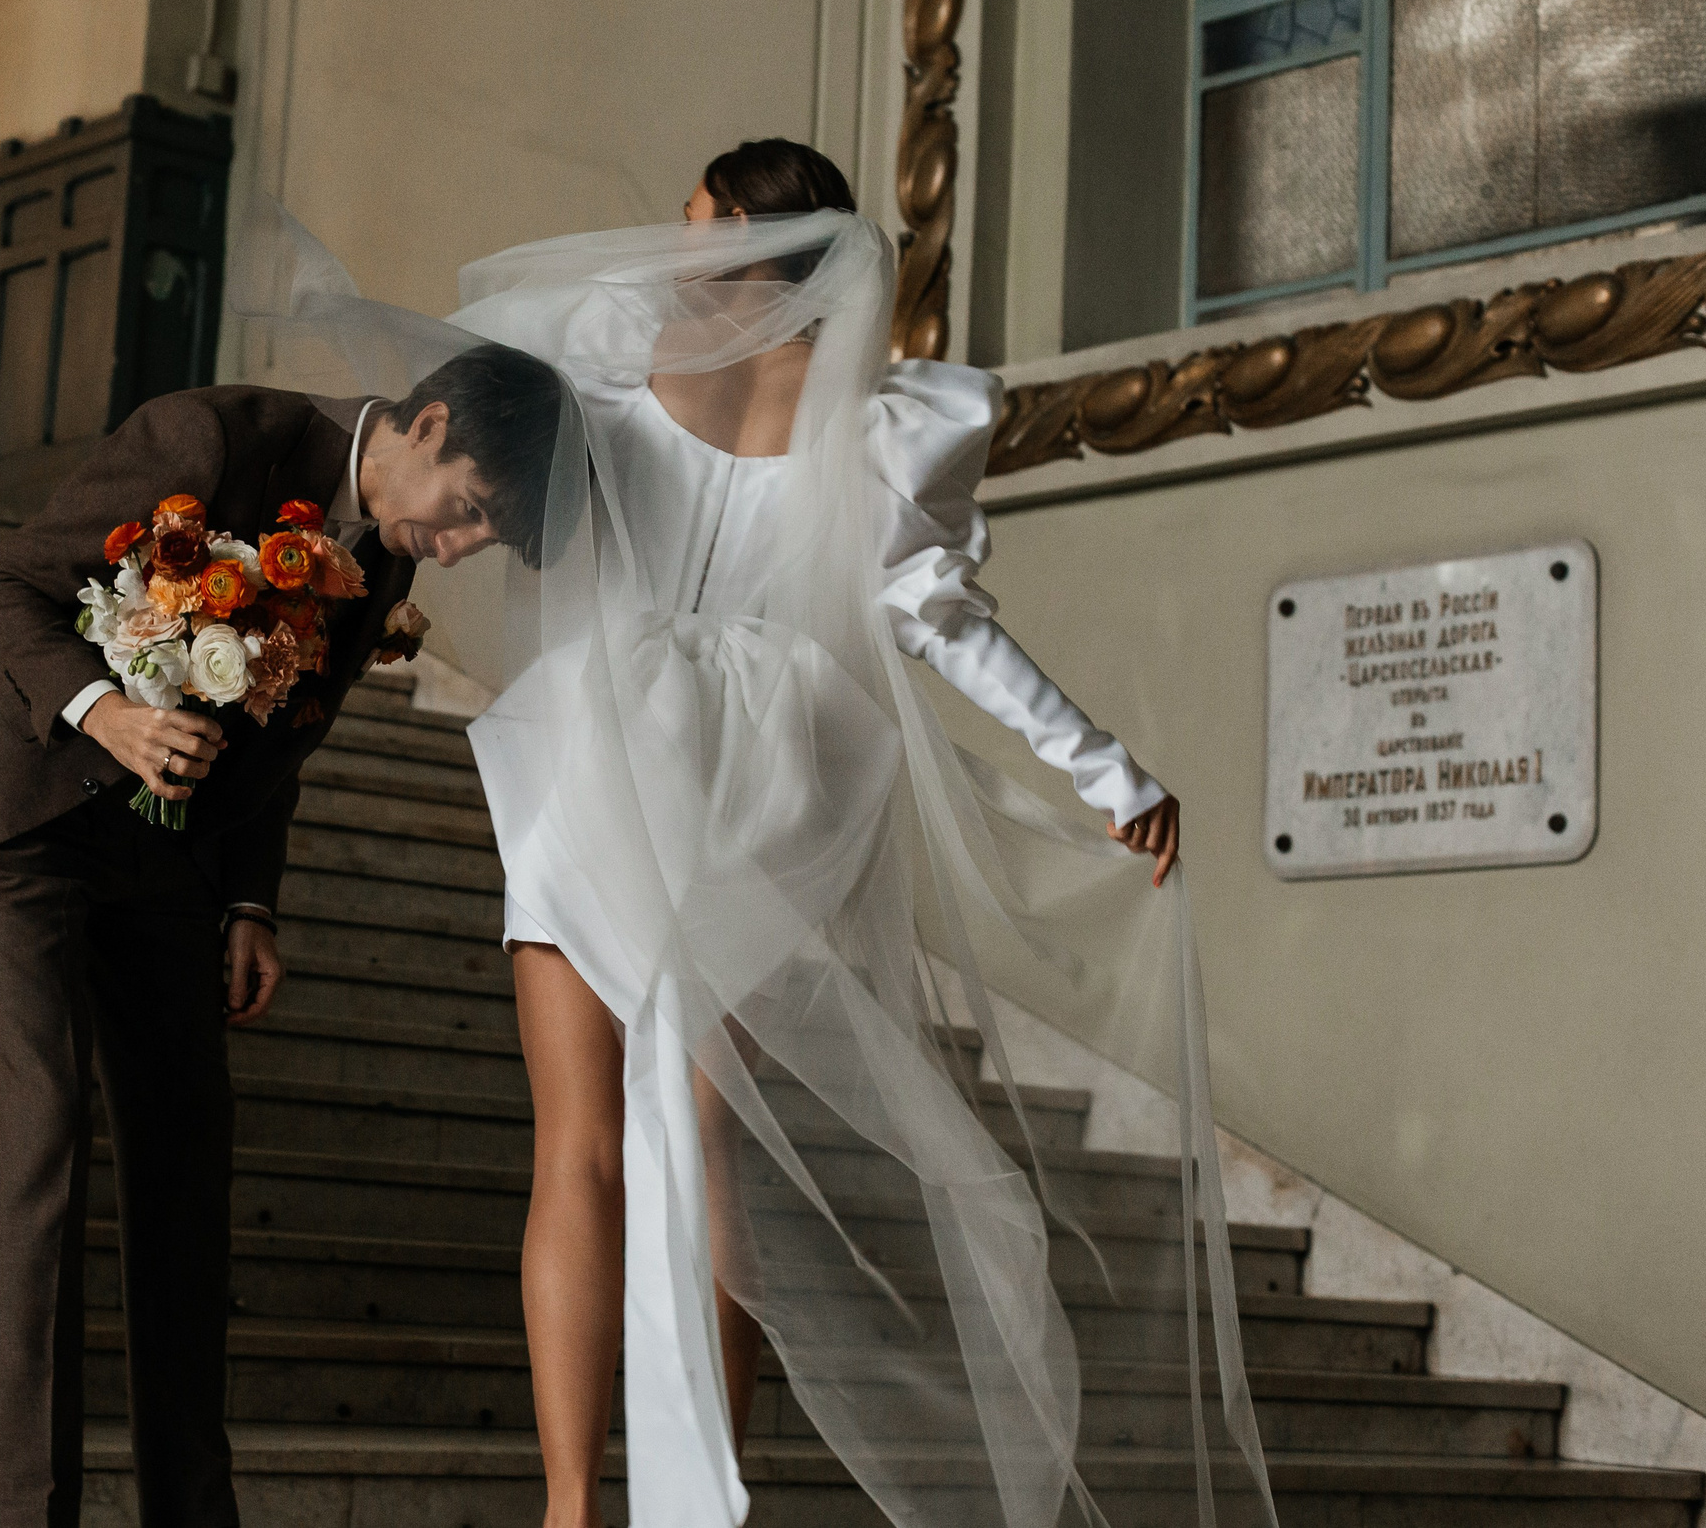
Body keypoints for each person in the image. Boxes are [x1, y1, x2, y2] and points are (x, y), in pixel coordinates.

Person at [449, 140, 1270, 1528]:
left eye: (699, 224)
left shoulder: (608, 351)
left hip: (600, 749)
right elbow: (943, 621)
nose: (674, 240)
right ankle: (709, 1496)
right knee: (708, 1150)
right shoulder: (882, 423)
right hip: (768, 768)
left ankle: (572, 1505)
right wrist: (1110, 772)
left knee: (580, 1144)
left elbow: (475, 462)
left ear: (744, 252)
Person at [0, 342, 562, 1528]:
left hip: (170, 853)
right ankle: (26, 1513)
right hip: (30, 802)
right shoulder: (213, 438)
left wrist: (251, 902)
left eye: (479, 540)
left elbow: (276, 735)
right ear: (431, 425)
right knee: (45, 1127)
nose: (456, 549)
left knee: (189, 1156)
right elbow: (5, 587)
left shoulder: (367, 561)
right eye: (469, 516)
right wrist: (112, 718)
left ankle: (193, 1515)